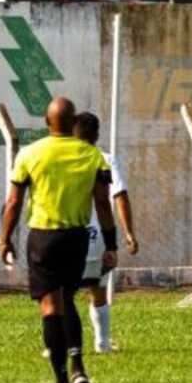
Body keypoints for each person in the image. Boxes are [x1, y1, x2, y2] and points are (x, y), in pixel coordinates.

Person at [0, 97, 117, 383]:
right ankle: (78, 366)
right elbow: (103, 202)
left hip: (43, 236)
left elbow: (13, 202)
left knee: (51, 306)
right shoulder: (93, 156)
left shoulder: (30, 154)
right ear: (73, 120)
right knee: (68, 299)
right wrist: (111, 243)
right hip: (77, 236)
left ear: (46, 121)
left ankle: (62, 380)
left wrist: (5, 238)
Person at [72, 112, 139, 353]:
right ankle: (101, 342)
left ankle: (59, 344)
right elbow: (119, 196)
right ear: (97, 135)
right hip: (97, 237)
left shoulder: (60, 160)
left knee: (61, 292)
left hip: (65, 234)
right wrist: (129, 233)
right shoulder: (106, 159)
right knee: (97, 289)